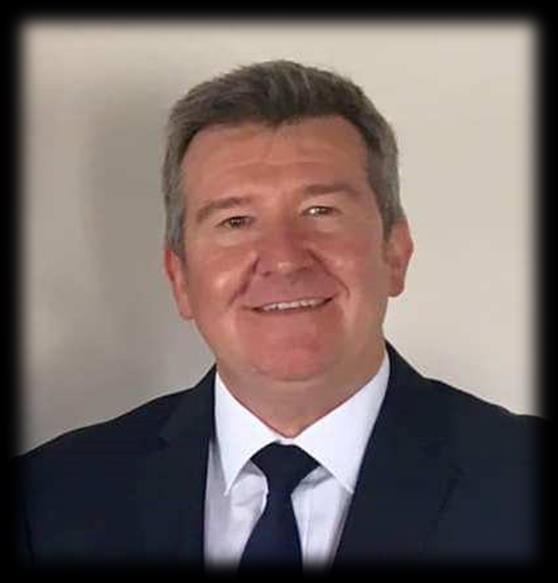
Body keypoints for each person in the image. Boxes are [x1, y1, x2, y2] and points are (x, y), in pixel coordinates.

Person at [16, 60, 541, 570]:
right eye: (236, 221)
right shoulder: (48, 502)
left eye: (321, 212)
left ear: (395, 252)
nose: (285, 258)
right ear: (180, 278)